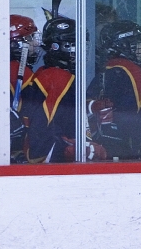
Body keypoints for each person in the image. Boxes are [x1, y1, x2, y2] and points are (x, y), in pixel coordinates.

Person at [21, 16, 106, 163]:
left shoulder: (53, 73)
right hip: (53, 167)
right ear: (60, 47)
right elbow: (38, 137)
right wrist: (69, 150)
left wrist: (91, 108)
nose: (82, 50)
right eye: (76, 44)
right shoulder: (57, 78)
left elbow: (63, 116)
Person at [86, 20, 141, 160]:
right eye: (137, 43)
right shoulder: (133, 72)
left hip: (99, 148)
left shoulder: (105, 69)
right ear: (124, 46)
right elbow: (132, 120)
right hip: (124, 151)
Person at [0, 14, 40, 161]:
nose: (35, 43)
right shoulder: (19, 71)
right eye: (30, 38)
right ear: (15, 44)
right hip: (17, 147)